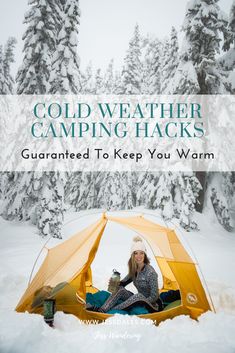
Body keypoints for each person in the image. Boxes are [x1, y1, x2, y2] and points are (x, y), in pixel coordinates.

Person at [86, 236, 161, 313]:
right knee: (120, 290)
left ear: (145, 255)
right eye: (136, 253)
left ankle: (111, 310)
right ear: (132, 255)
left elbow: (154, 296)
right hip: (138, 299)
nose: (139, 256)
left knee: (138, 296)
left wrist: (140, 300)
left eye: (141, 253)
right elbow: (123, 283)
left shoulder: (150, 272)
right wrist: (115, 283)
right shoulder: (135, 270)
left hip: (152, 305)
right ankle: (102, 309)